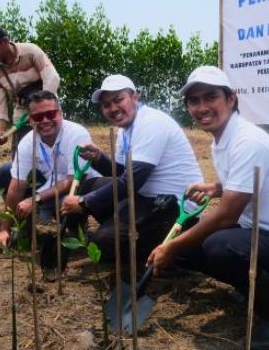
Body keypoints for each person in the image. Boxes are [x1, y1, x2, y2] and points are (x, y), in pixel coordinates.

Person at [146, 66, 269, 350]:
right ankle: (254, 285)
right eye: (193, 100)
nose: (201, 107)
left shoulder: (247, 140)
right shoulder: (223, 139)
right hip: (259, 233)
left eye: (210, 97)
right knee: (194, 248)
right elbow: (242, 183)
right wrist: (215, 188)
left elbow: (228, 214)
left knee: (218, 246)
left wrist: (172, 246)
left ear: (231, 99)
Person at [60, 75, 204, 263]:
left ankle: (161, 248)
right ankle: (121, 229)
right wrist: (99, 159)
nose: (113, 108)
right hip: (147, 197)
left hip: (174, 207)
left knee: (101, 244)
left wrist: (84, 202)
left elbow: (131, 181)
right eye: (106, 104)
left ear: (135, 97)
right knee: (88, 186)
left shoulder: (151, 122)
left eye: (118, 99)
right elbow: (123, 172)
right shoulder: (125, 130)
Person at [0, 91, 99, 250]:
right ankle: (22, 227)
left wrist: (35, 199)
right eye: (38, 117)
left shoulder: (76, 133)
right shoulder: (28, 142)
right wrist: (4, 229)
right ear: (30, 119)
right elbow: (16, 187)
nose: (45, 120)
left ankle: (77, 229)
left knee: (67, 201)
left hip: (81, 188)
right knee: (6, 172)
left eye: (50, 114)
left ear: (60, 114)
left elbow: (71, 181)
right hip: (49, 186)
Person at [0, 26, 60, 148]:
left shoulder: (31, 51)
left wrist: (39, 109)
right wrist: (0, 129)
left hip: (47, 108)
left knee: (53, 148)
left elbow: (52, 78)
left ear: (4, 42)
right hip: (21, 111)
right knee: (20, 154)